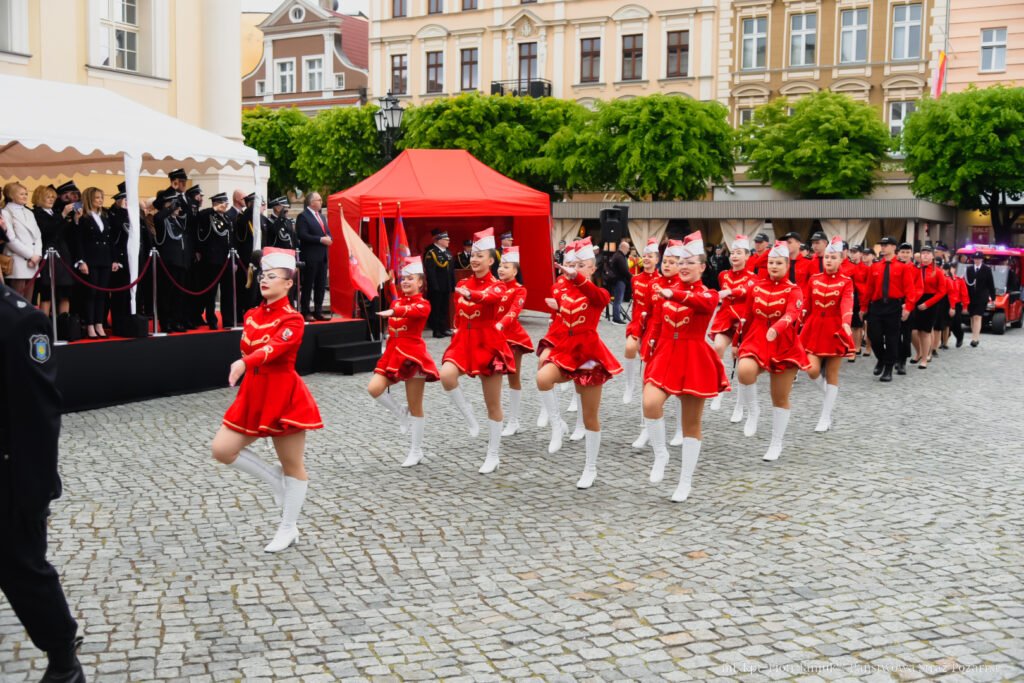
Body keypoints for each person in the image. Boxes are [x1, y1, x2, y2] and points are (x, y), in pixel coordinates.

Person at [0, 284, 86, 682]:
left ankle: (63, 659)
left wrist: (35, 492)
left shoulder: (19, 320)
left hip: (8, 474)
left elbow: (39, 413)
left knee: (22, 567)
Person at [211, 248, 323, 552]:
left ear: (288, 283)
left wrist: (244, 363)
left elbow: (273, 348)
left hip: (283, 394)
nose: (264, 280)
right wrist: (246, 364)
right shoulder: (252, 315)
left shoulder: (293, 319)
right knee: (222, 449)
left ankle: (288, 527)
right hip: (253, 392)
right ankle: (273, 478)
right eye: (263, 275)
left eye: (272, 276)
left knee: (293, 464)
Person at [641, 233, 729, 502]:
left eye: (690, 262)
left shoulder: (708, 294)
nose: (684, 266)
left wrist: (675, 293)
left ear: (702, 267)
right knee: (650, 403)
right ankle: (661, 454)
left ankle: (685, 481)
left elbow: (704, 303)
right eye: (681, 262)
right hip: (666, 353)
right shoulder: (664, 291)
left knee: (691, 423)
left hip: (693, 356)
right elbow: (657, 322)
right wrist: (649, 348)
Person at [536, 237, 623, 489]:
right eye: (574, 265)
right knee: (543, 378)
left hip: (589, 354)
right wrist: (556, 307)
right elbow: (562, 316)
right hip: (567, 348)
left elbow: (597, 298)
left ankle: (590, 467)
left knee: (589, 417)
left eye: (582, 265)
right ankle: (557, 425)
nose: (576, 269)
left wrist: (578, 279)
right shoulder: (562, 290)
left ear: (592, 268)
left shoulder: (599, 293)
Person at [440, 228, 516, 474]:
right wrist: (456, 328)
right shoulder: (462, 283)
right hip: (463, 341)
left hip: (488, 343)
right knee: (446, 376)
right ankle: (469, 416)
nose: (474, 259)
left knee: (492, 403)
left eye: (480, 256)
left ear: (491, 261)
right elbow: (458, 312)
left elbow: (488, 298)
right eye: (473, 255)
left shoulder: (498, 286)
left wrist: (471, 294)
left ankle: (493, 454)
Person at [734, 240, 809, 461]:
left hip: (784, 343)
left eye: (778, 263)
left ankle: (776, 442)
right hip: (756, 339)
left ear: (787, 265)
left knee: (779, 397)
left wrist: (777, 328)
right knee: (744, 371)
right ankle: (753, 411)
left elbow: (792, 313)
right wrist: (737, 342)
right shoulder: (756, 287)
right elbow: (746, 316)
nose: (774, 266)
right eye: (771, 262)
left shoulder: (794, 290)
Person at [368, 256, 439, 467]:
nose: (405, 282)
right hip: (393, 354)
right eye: (403, 278)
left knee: (416, 405)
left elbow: (414, 312)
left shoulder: (424, 304)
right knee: (374, 388)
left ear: (420, 282)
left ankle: (416, 451)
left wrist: (394, 311)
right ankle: (399, 411)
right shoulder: (396, 301)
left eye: (410, 278)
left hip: (413, 356)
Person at [800, 237, 855, 432]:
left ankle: (825, 416)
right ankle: (829, 397)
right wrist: (796, 320)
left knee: (832, 374)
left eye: (833, 258)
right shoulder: (814, 279)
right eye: (827, 257)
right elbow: (806, 304)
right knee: (811, 370)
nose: (829, 261)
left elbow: (847, 303)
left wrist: (846, 322)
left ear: (841, 260)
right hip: (814, 327)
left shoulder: (846, 282)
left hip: (835, 329)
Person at [708, 235, 757, 418]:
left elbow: (745, 291)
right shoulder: (723, 275)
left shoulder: (752, 278)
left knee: (741, 362)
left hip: (744, 321)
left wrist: (729, 291)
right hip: (725, 318)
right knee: (718, 348)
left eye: (739, 253)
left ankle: (739, 405)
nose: (735, 256)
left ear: (747, 256)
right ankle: (719, 390)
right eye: (733, 252)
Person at [862, 237, 919, 382]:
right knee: (874, 336)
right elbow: (869, 289)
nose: (883, 247)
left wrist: (908, 308)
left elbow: (910, 290)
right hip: (877, 305)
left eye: (886, 245)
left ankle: (888, 368)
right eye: (882, 245)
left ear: (894, 247)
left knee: (892, 338)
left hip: (894, 306)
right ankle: (881, 358)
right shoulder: (875, 266)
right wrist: (863, 307)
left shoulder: (903, 267)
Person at [535, 242, 576, 430]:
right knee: (542, 360)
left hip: (576, 332)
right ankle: (546, 407)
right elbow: (555, 310)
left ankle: (576, 398)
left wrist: (559, 306)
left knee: (581, 369)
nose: (569, 269)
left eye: (574, 265)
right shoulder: (558, 284)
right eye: (567, 264)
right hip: (558, 330)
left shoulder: (584, 286)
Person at [494, 246, 533, 436]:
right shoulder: (493, 287)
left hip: (512, 338)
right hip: (493, 337)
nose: (501, 269)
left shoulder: (519, 290)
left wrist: (500, 325)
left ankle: (514, 420)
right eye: (500, 266)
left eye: (506, 266)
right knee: (493, 378)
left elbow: (514, 312)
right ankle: (496, 417)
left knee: (513, 377)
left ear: (515, 271)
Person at [73, 187, 121, 339]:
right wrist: (81, 261)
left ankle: (99, 323)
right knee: (91, 293)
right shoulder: (83, 217)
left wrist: (115, 259)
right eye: (97, 198)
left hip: (105, 259)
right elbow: (79, 241)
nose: (100, 200)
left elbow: (110, 240)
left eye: (101, 197)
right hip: (90, 260)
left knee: (102, 294)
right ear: (89, 199)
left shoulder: (104, 216)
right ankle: (90, 325)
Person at [622, 238, 660, 405]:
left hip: (652, 324)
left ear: (657, 259)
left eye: (650, 256)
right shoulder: (635, 279)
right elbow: (636, 304)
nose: (646, 258)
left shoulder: (660, 281)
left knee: (647, 360)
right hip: (637, 321)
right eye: (644, 256)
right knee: (629, 348)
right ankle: (629, 386)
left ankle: (647, 397)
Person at [195, 192, 236, 329]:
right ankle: (211, 319)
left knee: (227, 291)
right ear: (217, 203)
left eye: (226, 203)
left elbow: (230, 238)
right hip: (213, 259)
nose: (225, 206)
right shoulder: (208, 216)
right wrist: (213, 209)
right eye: (223, 203)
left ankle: (228, 320)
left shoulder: (227, 218)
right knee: (211, 292)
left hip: (226, 259)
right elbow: (200, 216)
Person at [32, 185, 74, 318]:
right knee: (47, 294)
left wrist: (75, 220)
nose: (51, 200)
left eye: (53, 197)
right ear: (39, 198)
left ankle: (64, 325)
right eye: (48, 197)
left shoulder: (55, 213)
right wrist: (63, 215)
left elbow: (65, 234)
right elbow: (47, 231)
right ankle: (45, 325)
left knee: (64, 293)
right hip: (48, 255)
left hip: (62, 255)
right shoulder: (37, 213)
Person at [2, 182, 43, 301]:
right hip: (17, 259)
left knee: (28, 300)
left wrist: (37, 255)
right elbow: (10, 239)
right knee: (18, 299)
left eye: (26, 194)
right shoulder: (5, 212)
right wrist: (30, 255)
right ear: (11, 195)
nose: (25, 196)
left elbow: (37, 235)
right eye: (21, 194)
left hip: (33, 260)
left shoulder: (29, 212)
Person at [296, 192, 332, 322]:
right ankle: (305, 311)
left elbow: (327, 232)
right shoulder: (303, 216)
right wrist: (320, 239)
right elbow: (302, 235)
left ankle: (318, 310)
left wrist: (329, 238)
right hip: (310, 256)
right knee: (308, 285)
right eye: (319, 200)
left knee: (321, 285)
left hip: (322, 256)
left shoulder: (321, 216)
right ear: (311, 202)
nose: (321, 202)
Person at [909, 245, 947, 369]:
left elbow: (942, 291)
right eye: (923, 253)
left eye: (928, 253)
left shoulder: (938, 271)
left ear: (932, 256)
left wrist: (927, 304)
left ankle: (924, 358)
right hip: (915, 299)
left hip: (930, 301)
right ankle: (919, 352)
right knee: (913, 330)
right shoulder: (915, 269)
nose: (925, 255)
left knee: (925, 332)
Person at [423, 229, 454, 338]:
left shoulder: (448, 252)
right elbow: (430, 272)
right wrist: (435, 286)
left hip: (446, 285)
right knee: (436, 308)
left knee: (444, 308)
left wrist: (452, 285)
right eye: (446, 239)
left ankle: (443, 328)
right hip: (436, 287)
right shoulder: (432, 253)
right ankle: (436, 330)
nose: (448, 241)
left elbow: (451, 271)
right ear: (439, 240)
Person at [965, 251, 994, 348]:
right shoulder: (969, 269)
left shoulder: (987, 269)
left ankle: (975, 338)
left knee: (977, 316)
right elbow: (966, 284)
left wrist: (993, 297)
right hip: (971, 296)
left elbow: (991, 284)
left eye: (979, 259)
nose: (977, 260)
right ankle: (974, 335)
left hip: (982, 296)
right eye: (975, 259)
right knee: (972, 317)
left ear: (982, 259)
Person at [607, 238, 631, 325]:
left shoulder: (617, 255)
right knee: (618, 300)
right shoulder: (620, 257)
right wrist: (632, 278)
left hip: (617, 280)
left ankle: (616, 317)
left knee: (617, 300)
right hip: (619, 280)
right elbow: (624, 270)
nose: (628, 250)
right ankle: (616, 318)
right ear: (623, 247)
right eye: (628, 248)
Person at [945, 263, 968, 348]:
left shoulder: (959, 280)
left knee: (956, 324)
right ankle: (944, 341)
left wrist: (965, 306)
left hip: (956, 304)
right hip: (945, 303)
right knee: (945, 324)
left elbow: (964, 293)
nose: (950, 270)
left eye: (952, 268)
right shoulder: (944, 278)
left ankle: (959, 336)